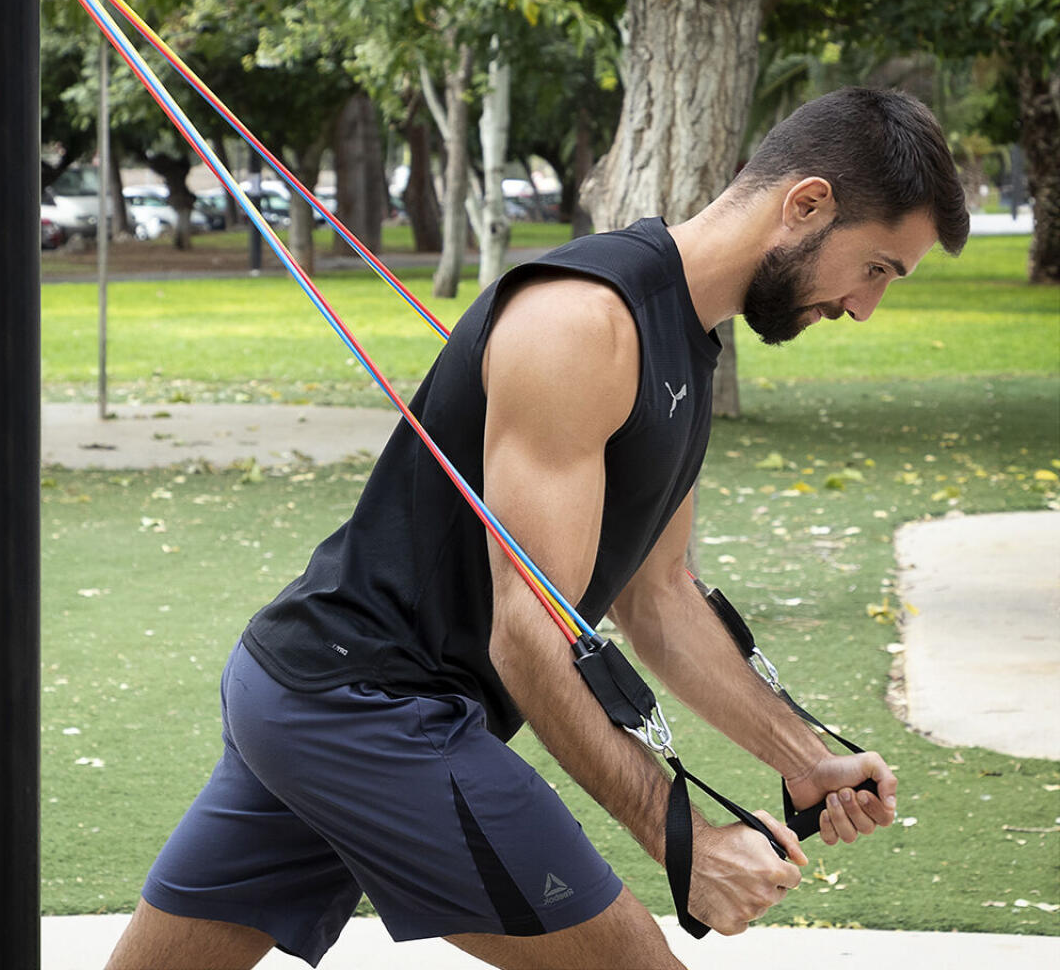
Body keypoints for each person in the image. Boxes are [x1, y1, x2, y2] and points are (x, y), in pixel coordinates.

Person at [107, 87, 969, 970]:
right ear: (808, 205)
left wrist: (801, 758)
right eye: (877, 269)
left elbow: (660, 598)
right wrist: (688, 843)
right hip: (365, 705)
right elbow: (527, 634)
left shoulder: (684, 341)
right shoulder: (582, 322)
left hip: (302, 693)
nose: (865, 308)